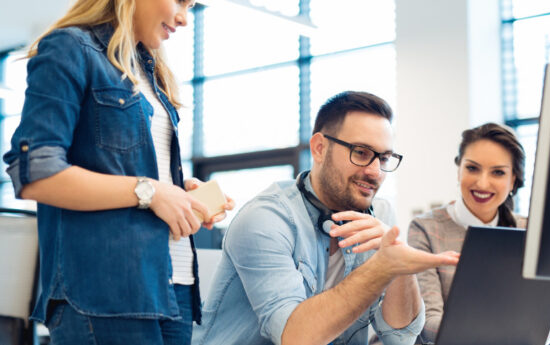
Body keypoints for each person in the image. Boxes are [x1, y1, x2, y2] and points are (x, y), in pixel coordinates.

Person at [2, 0, 234, 344]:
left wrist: (176, 193)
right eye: (181, 1)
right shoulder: (70, 48)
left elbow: (129, 172)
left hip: (175, 287)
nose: (185, 18)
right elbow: (37, 171)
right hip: (108, 290)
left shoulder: (150, 71)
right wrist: (151, 192)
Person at [195, 91, 460, 345]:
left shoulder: (380, 214)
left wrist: (400, 267)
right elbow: (296, 337)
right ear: (319, 148)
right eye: (361, 153)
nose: (375, 172)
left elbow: (400, 337)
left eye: (385, 158)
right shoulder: (265, 220)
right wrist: (381, 268)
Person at [407, 122, 526, 343]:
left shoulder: (527, 230)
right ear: (459, 168)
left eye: (498, 172)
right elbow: (427, 324)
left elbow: (537, 316)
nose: (482, 183)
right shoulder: (425, 229)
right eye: (472, 168)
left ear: (513, 181)